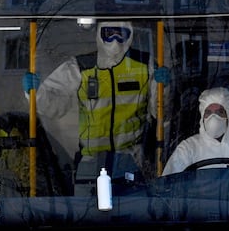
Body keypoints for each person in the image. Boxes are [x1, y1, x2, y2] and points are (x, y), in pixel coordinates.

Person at [23, 20, 170, 195]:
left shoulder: (145, 66)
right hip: (90, 160)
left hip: (131, 159)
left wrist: (165, 89)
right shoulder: (81, 66)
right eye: (109, 33)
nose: (115, 40)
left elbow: (161, 112)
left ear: (129, 35)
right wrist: (35, 92)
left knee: (131, 214)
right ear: (99, 35)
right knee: (88, 216)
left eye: (121, 33)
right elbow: (54, 107)